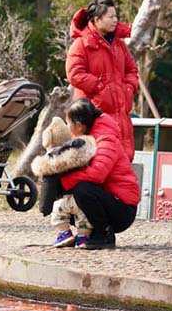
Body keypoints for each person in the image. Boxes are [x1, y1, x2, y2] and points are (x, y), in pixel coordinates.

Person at [59, 99, 140, 250]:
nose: (67, 127)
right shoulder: (85, 137)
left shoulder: (105, 139)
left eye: (68, 122)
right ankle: (87, 232)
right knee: (68, 190)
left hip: (122, 209)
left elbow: (98, 174)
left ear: (79, 125)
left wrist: (65, 182)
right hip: (108, 199)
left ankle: (104, 234)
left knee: (82, 190)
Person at [66, 0, 139, 160]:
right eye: (111, 17)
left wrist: (128, 88)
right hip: (93, 115)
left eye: (116, 16)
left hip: (121, 115)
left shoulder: (119, 44)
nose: (116, 20)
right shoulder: (81, 44)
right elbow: (74, 74)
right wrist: (100, 88)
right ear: (97, 20)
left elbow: (132, 70)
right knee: (98, 162)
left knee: (122, 165)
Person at [30, 117, 96, 248]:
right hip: (81, 198)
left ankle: (64, 234)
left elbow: (49, 187)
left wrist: (44, 207)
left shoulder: (52, 161)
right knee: (83, 218)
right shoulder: (78, 154)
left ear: (48, 141)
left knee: (58, 215)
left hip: (63, 200)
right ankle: (83, 238)